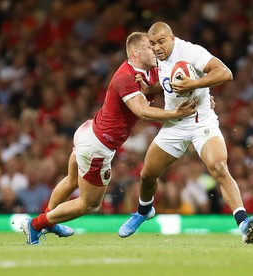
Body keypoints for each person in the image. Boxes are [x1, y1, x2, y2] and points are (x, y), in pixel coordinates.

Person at [20, 31, 197, 244]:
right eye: (150, 47)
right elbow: (142, 112)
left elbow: (169, 81)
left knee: (71, 181)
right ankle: (36, 225)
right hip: (98, 145)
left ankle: (48, 222)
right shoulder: (125, 78)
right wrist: (176, 114)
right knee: (89, 204)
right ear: (136, 52)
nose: (155, 50)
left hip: (89, 131)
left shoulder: (149, 72)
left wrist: (203, 96)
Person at [118, 22, 253, 244]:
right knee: (147, 174)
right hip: (174, 124)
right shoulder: (160, 59)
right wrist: (149, 89)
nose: (156, 47)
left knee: (218, 166)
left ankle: (243, 222)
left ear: (172, 38)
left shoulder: (191, 51)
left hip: (201, 122)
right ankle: (144, 211)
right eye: (153, 43)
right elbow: (168, 82)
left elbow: (225, 73)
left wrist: (195, 83)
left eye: (161, 42)